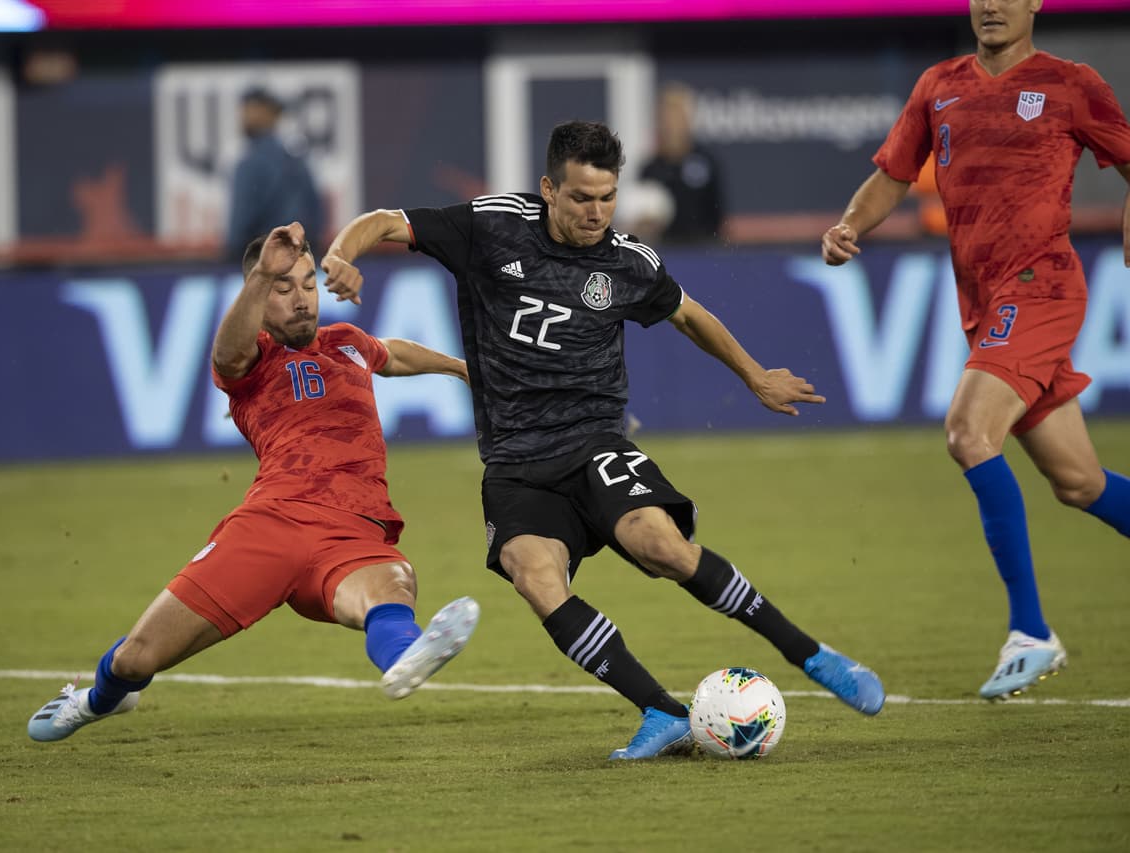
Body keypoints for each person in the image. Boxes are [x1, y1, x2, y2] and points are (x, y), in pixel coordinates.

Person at [320, 120, 885, 761]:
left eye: (608, 197)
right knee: (534, 575)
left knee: (661, 547)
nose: (597, 212)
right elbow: (386, 220)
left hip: (594, 441)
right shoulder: (492, 226)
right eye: (582, 197)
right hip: (513, 461)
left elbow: (690, 315)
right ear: (548, 190)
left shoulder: (627, 261)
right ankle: (662, 712)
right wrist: (342, 254)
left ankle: (811, 655)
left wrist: (755, 377)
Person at [28, 222, 479, 742]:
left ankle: (406, 656)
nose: (302, 299)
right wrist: (264, 272)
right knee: (138, 658)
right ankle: (97, 699)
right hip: (272, 527)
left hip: (354, 532)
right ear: (259, 296)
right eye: (282, 289)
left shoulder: (346, 343)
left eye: (307, 283)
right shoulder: (254, 360)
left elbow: (393, 353)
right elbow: (226, 353)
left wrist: (463, 369)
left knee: (393, 586)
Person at [821, 0, 1130, 701]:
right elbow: (895, 173)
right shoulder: (939, 84)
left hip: (1042, 288)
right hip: (985, 300)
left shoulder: (1070, 83)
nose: (990, 5)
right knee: (1078, 481)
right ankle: (1032, 631)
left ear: (1035, 3)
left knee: (968, 430)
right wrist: (848, 224)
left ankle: (1030, 631)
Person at [223, 87, 325, 260]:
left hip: (262, 262)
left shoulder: (252, 162)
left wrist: (231, 255)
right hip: (300, 262)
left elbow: (239, 227)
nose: (245, 115)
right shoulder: (297, 158)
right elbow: (316, 217)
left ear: (271, 114)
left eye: (252, 108)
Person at [638, 83, 726, 245]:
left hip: (704, 251)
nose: (672, 123)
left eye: (678, 115)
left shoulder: (706, 162)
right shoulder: (650, 169)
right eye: (667, 116)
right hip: (664, 253)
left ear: (688, 118)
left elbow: (718, 217)